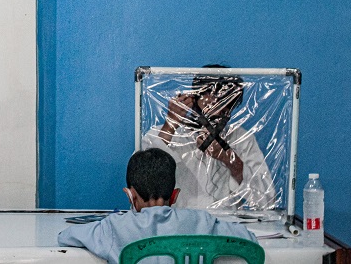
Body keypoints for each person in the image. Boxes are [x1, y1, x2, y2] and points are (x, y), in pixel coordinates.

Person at [57, 148, 256, 264]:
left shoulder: (113, 228)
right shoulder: (202, 221)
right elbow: (248, 239)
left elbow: (65, 236)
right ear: (175, 195)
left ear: (130, 196)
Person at [142, 65, 276, 210]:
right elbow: (140, 187)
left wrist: (230, 160)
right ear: (194, 98)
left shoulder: (241, 139)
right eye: (212, 98)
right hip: (178, 221)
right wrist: (169, 127)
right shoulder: (162, 135)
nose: (218, 108)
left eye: (226, 102)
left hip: (225, 222)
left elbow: (267, 200)